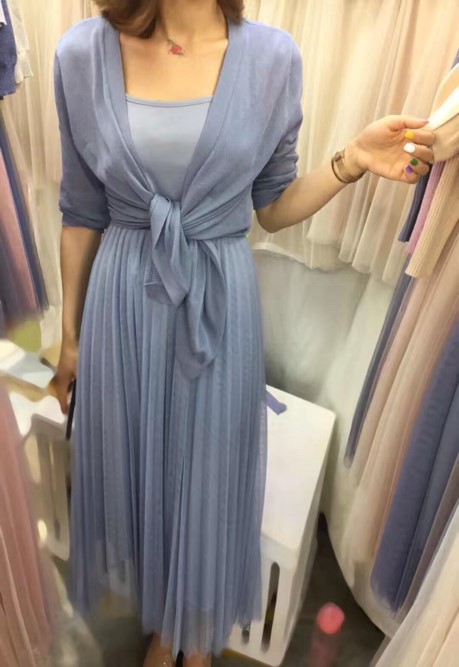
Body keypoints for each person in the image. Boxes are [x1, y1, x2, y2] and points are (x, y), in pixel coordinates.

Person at [51, 1, 435, 666]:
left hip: (218, 307)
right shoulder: (80, 54)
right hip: (124, 305)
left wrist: (349, 160)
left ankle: (192, 633)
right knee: (144, 473)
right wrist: (69, 337)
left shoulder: (272, 58)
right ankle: (164, 620)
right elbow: (81, 210)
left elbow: (273, 206)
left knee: (208, 475)